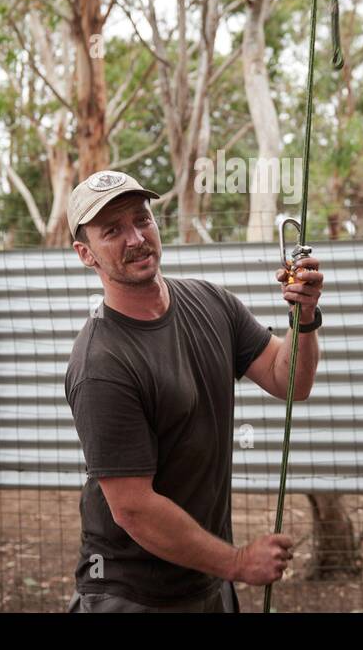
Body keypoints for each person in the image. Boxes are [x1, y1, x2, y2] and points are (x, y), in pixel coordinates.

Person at [62, 169, 324, 613]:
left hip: (208, 582)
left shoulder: (210, 302)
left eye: (141, 220)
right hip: (133, 595)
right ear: (86, 254)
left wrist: (305, 317)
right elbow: (134, 509)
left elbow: (290, 381)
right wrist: (239, 562)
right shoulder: (101, 364)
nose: (135, 238)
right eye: (112, 231)